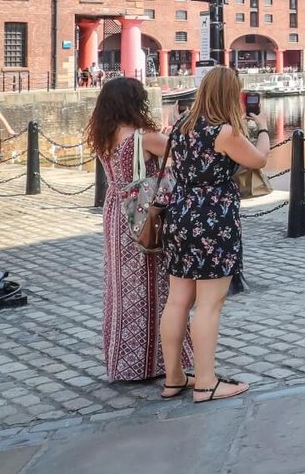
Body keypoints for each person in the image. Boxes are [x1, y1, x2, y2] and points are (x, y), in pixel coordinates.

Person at [160, 66, 269, 404]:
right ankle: (206, 383)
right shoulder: (223, 132)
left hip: (180, 215)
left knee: (178, 300)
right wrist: (261, 126)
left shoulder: (181, 126)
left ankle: (174, 378)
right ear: (230, 95)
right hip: (212, 219)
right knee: (209, 304)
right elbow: (260, 159)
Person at [85, 78, 191, 385]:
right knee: (154, 288)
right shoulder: (143, 138)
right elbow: (182, 160)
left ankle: (122, 360)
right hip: (144, 214)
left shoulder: (104, 137)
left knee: (120, 287)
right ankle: (154, 361)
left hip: (115, 210)